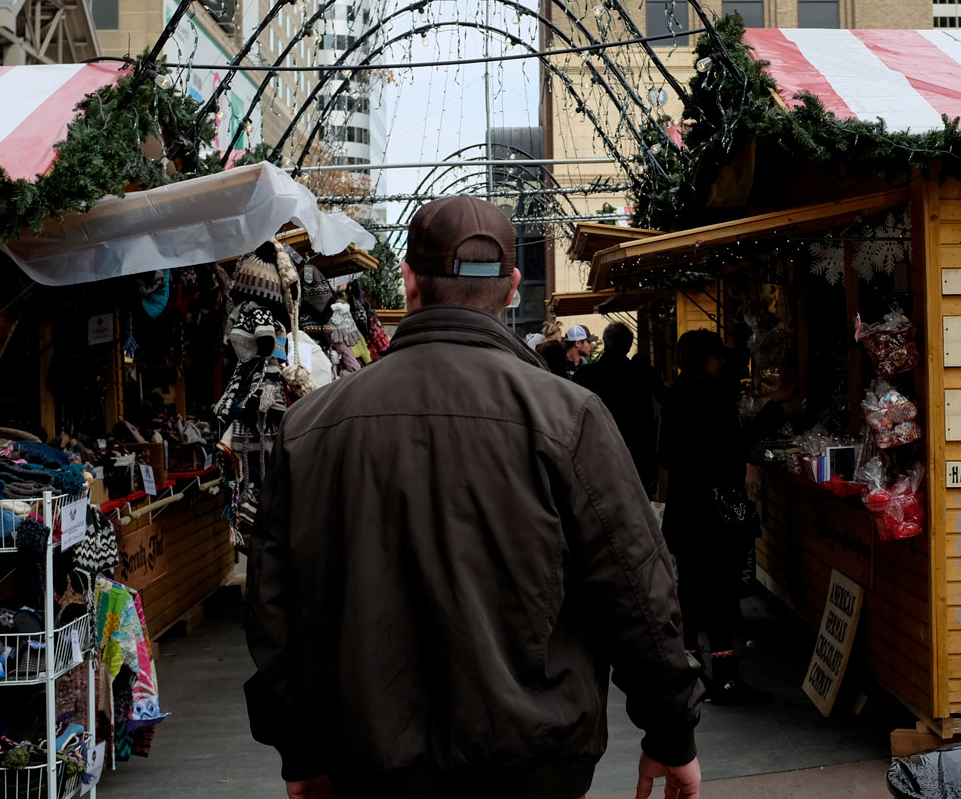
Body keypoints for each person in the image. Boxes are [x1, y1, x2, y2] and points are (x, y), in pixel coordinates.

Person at [245, 195, 704, 799]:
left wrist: (299, 752)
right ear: (512, 288)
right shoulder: (568, 418)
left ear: (408, 281)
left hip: (367, 761)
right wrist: (670, 733)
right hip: (532, 763)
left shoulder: (311, 426)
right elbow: (637, 589)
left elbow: (275, 608)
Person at [657, 329, 782, 705]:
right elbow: (735, 443)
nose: (723, 361)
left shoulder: (675, 394)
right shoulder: (708, 398)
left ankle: (695, 676)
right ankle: (727, 679)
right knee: (722, 594)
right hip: (714, 510)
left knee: (693, 595)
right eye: (717, 356)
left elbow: (667, 455)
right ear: (702, 358)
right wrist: (773, 408)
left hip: (686, 510)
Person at [576, 322, 661, 495]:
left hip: (598, 455)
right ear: (629, 345)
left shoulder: (585, 375)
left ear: (606, 343)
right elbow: (664, 397)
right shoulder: (640, 375)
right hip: (637, 457)